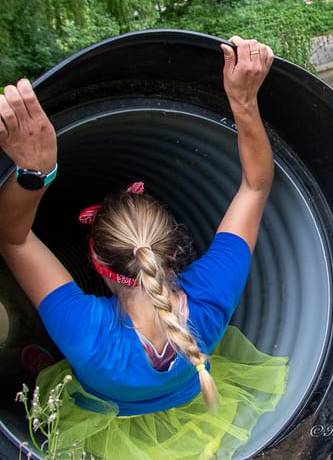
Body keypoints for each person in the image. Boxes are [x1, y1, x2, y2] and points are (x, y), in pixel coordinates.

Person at [0, 37, 288, 459]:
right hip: (192, 408)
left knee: (60, 384)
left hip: (108, 423)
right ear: (172, 248)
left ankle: (49, 371)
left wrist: (36, 171)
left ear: (95, 261)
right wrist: (243, 100)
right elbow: (256, 184)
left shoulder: (86, 331)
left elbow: (12, 236)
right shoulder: (210, 298)